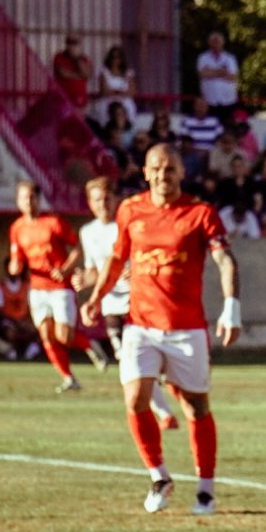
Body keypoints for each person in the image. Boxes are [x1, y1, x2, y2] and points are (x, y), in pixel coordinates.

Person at [82, 145, 240, 515]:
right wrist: (96, 296)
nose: (162, 175)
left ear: (181, 172)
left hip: (187, 329)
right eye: (156, 168)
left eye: (170, 169)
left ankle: (205, 488)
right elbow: (117, 257)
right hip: (140, 325)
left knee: (196, 406)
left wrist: (231, 307)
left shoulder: (200, 213)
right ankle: (158, 476)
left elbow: (224, 259)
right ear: (145, 171)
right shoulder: (130, 210)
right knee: (135, 399)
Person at [78, 177, 178, 428]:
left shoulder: (131, 224)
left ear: (116, 200)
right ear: (90, 203)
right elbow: (95, 269)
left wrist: (136, 268)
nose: (104, 204)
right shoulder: (87, 232)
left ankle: (173, 393)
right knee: (128, 360)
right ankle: (164, 414)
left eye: (108, 198)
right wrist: (84, 280)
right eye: (98, 200)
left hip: (141, 299)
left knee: (157, 359)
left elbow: (151, 256)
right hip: (111, 303)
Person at [8, 180, 87, 392]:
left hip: (60, 286)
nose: (27, 202)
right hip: (37, 287)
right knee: (45, 333)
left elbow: (77, 248)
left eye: (31, 197)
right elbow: (17, 259)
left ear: (38, 199)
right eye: (23, 198)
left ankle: (90, 346)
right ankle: (68, 378)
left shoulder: (53, 222)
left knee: (64, 336)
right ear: (18, 201)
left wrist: (66, 269)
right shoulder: (17, 228)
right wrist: (15, 266)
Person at [199, 32, 241, 120]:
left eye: (218, 41)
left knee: (227, 127)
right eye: (213, 41)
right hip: (210, 100)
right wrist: (221, 72)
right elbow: (203, 74)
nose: (216, 44)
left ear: (223, 43)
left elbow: (232, 77)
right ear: (209, 43)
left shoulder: (230, 58)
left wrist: (212, 72)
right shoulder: (203, 58)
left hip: (228, 100)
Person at [93, 45, 137, 127]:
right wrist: (118, 92)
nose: (116, 60)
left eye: (118, 57)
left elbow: (133, 91)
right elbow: (104, 90)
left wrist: (117, 93)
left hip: (125, 103)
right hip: (108, 103)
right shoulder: (104, 72)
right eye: (113, 57)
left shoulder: (128, 73)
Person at [53, 35, 92, 110]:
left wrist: (76, 58)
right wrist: (80, 75)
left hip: (79, 97)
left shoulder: (84, 59)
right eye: (69, 43)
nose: (71, 46)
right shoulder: (59, 56)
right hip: (63, 96)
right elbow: (63, 73)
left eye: (74, 43)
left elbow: (87, 74)